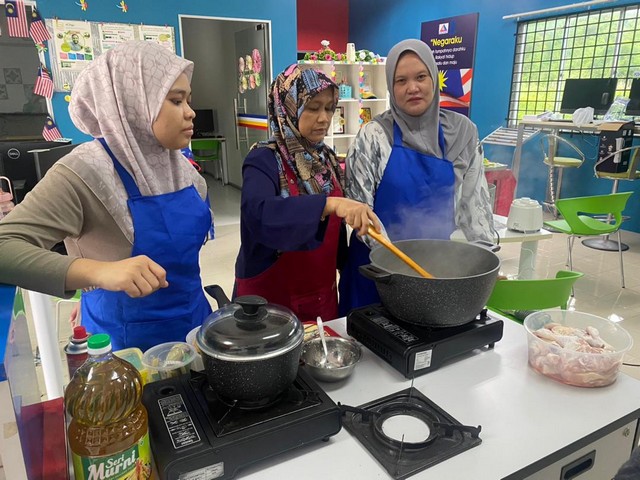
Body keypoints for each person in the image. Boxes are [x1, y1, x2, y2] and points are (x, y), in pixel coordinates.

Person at [0, 41, 213, 351]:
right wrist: (99, 274)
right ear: (133, 103)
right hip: (124, 351)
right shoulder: (86, 172)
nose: (191, 112)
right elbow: (5, 246)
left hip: (194, 327)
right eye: (176, 101)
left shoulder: (183, 171)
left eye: (188, 100)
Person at [339, 39, 494, 314]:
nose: (412, 88)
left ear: (434, 78)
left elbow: (475, 208)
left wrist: (481, 268)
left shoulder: (463, 133)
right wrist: (399, 266)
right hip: (376, 272)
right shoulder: (373, 136)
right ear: (391, 86)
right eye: (401, 80)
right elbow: (359, 211)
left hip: (435, 270)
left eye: (421, 77)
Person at [234, 64, 381, 322]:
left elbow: (335, 234)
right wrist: (329, 204)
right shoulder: (263, 160)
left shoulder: (327, 159)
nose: (324, 118)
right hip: (270, 300)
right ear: (288, 107)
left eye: (329, 108)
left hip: (321, 296)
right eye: (313, 108)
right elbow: (259, 215)